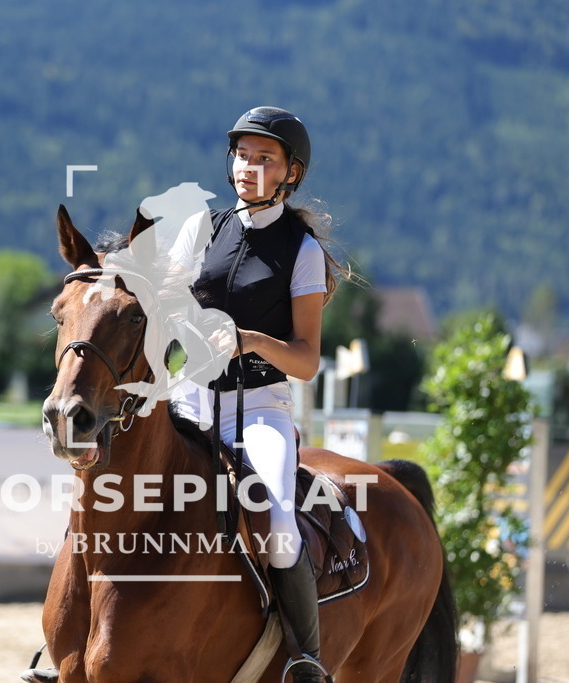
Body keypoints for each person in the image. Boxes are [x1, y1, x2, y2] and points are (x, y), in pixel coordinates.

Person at [169, 106, 344, 683]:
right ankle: (65, 638)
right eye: (242, 155)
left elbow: (307, 360)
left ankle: (305, 655)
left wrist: (247, 340)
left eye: (263, 158)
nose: (247, 166)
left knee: (279, 522)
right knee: (114, 473)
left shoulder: (303, 252)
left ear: (290, 174)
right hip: (190, 394)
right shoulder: (204, 230)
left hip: (257, 410)